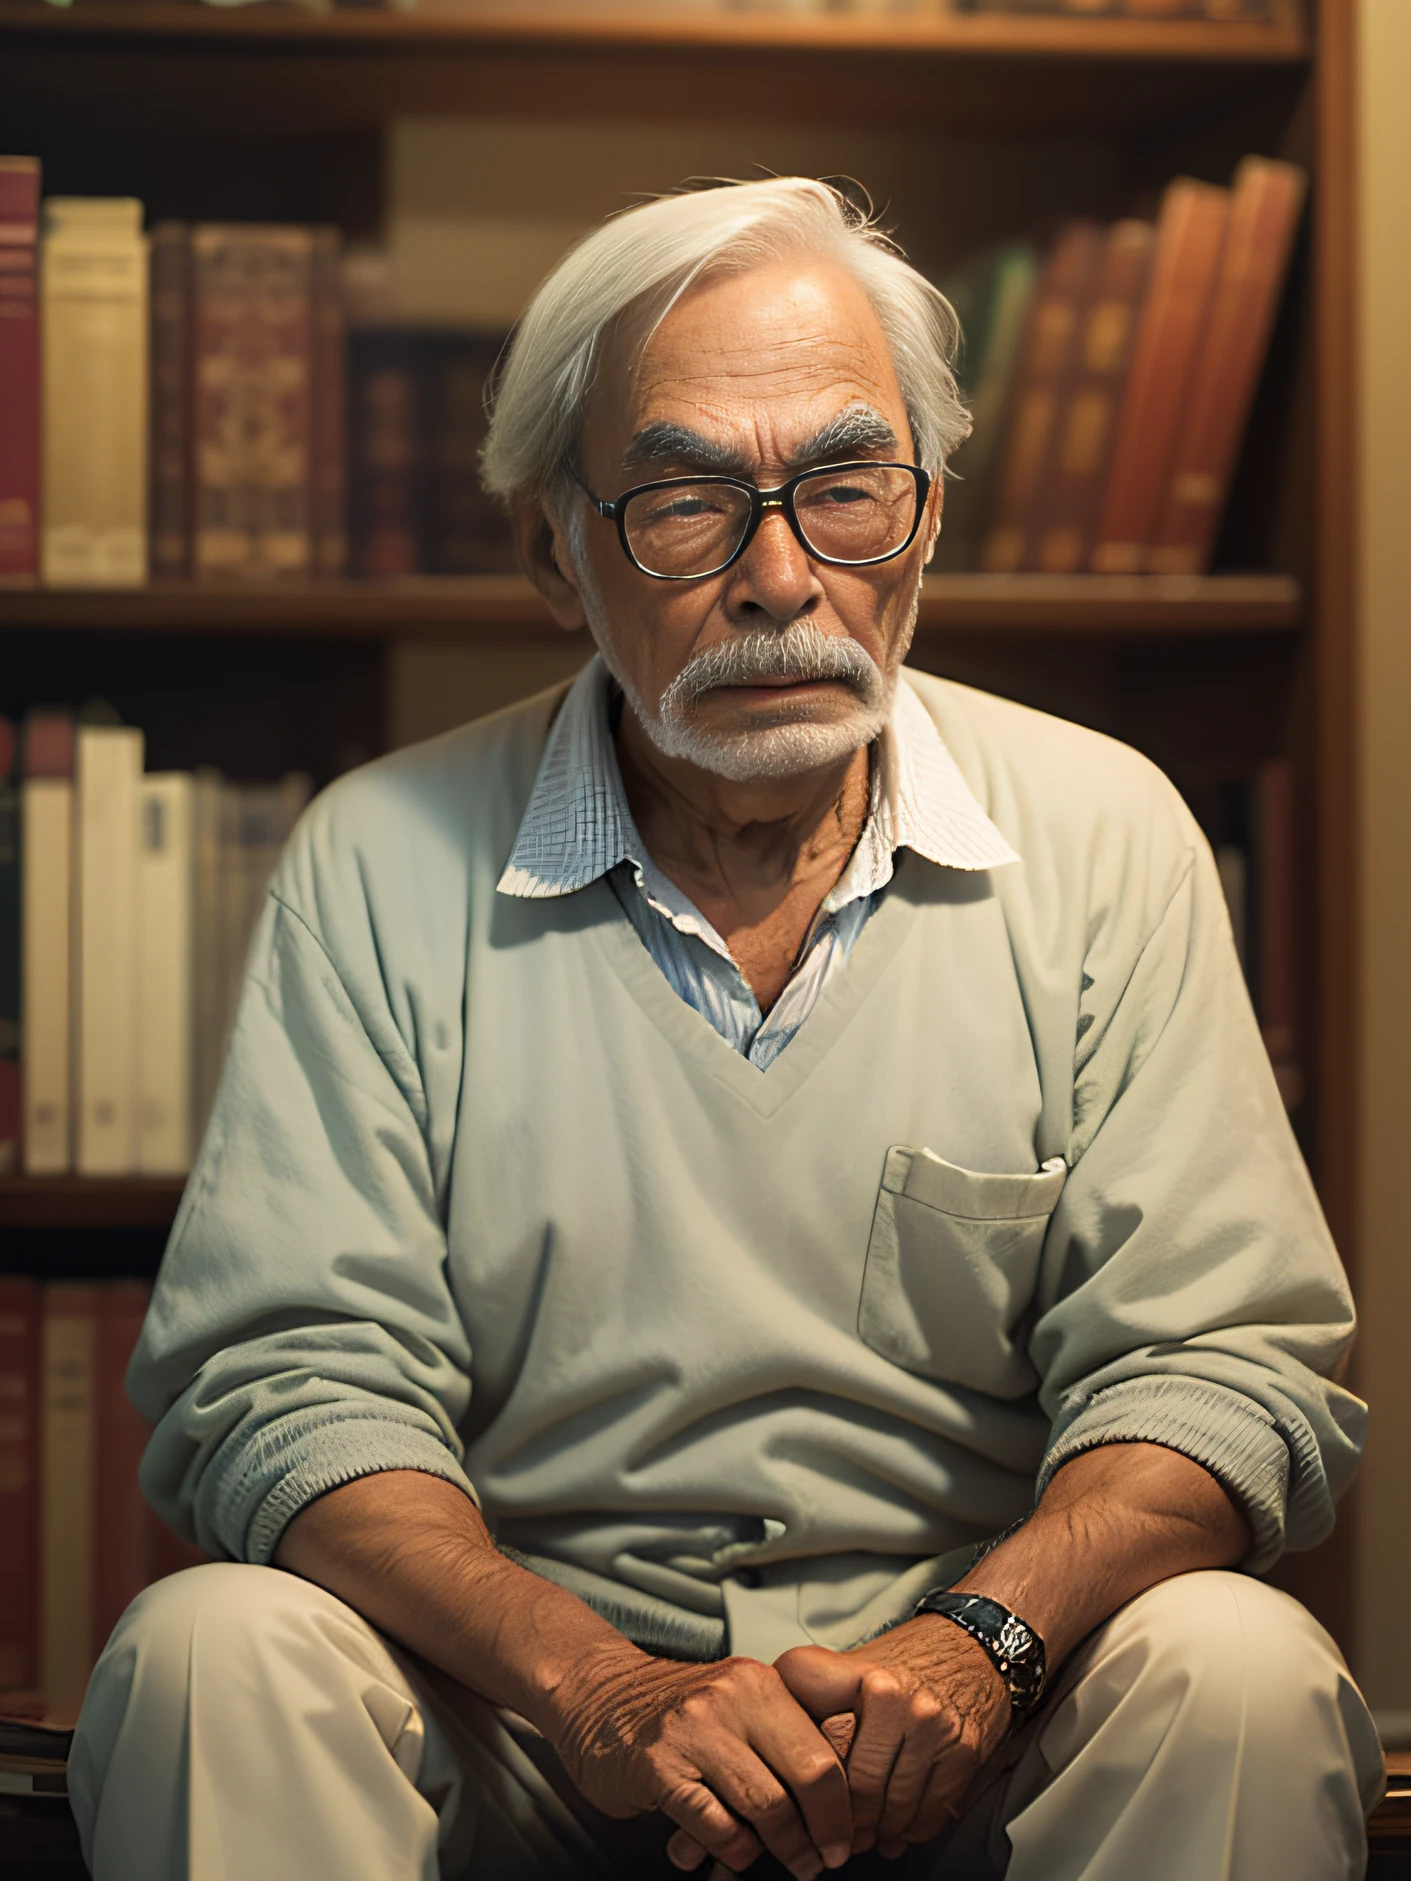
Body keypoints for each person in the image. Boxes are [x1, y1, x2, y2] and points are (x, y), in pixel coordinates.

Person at [71, 178, 1381, 1881]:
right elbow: (282, 1388)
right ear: (557, 549)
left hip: (971, 1720)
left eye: (846, 489)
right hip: (535, 1726)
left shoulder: (1108, 834)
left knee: (1241, 1669)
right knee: (207, 1652)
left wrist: (973, 1648)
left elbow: (1223, 1366)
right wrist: (602, 1689)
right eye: (684, 504)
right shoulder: (376, 857)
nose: (780, 578)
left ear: (922, 517)